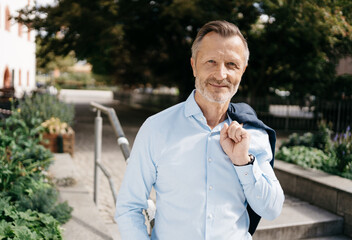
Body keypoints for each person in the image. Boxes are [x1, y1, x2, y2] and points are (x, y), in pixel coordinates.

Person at [115, 20, 285, 240]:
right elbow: (129, 207)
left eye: (231, 64)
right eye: (211, 61)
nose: (221, 74)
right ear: (194, 65)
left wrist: (243, 162)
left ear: (243, 70)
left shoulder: (253, 133)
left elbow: (271, 209)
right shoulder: (156, 128)